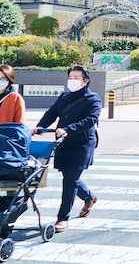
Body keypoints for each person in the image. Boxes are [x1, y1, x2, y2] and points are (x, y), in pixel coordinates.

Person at [33, 65, 101, 232]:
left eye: (76, 78)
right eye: (70, 77)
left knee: (70, 179)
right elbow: (52, 113)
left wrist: (68, 129)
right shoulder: (64, 97)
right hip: (64, 142)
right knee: (69, 176)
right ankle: (89, 197)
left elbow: (90, 120)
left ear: (85, 81)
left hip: (82, 144)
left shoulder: (93, 99)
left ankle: (63, 218)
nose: (72, 80)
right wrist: (40, 127)